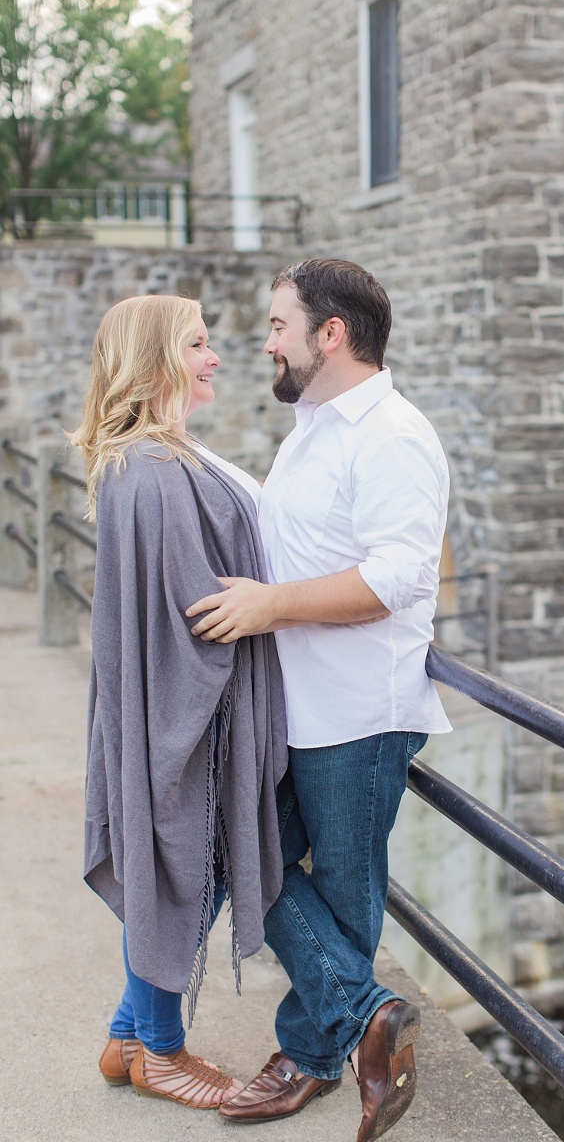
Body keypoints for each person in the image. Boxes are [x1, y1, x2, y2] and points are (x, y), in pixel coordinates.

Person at [185, 258, 451, 1140]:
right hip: (292, 704)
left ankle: (308, 1055)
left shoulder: (395, 438)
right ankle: (372, 1017)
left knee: (339, 891)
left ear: (330, 334)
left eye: (276, 326)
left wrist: (270, 605)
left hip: (358, 713)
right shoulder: (312, 425)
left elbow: (397, 578)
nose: (265, 343)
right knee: (238, 851)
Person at [70, 294, 289, 1110]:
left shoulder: (151, 458)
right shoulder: (155, 473)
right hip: (182, 715)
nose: (216, 357)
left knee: (186, 868)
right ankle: (159, 1049)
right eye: (198, 344)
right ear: (157, 358)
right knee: (186, 869)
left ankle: (131, 1034)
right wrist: (271, 603)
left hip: (162, 706)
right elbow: (195, 609)